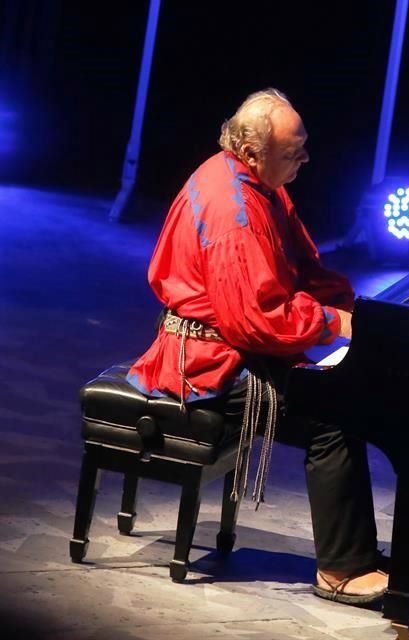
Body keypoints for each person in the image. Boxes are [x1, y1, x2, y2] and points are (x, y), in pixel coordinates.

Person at [126, 88, 388, 604]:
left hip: (235, 347)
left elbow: (304, 268)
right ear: (251, 151)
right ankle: (340, 569)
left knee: (345, 400)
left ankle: (356, 551)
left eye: (304, 147)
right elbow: (256, 320)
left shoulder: (264, 187)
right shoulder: (233, 212)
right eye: (294, 152)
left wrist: (361, 312)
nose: (305, 160)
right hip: (206, 366)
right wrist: (334, 323)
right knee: (332, 419)